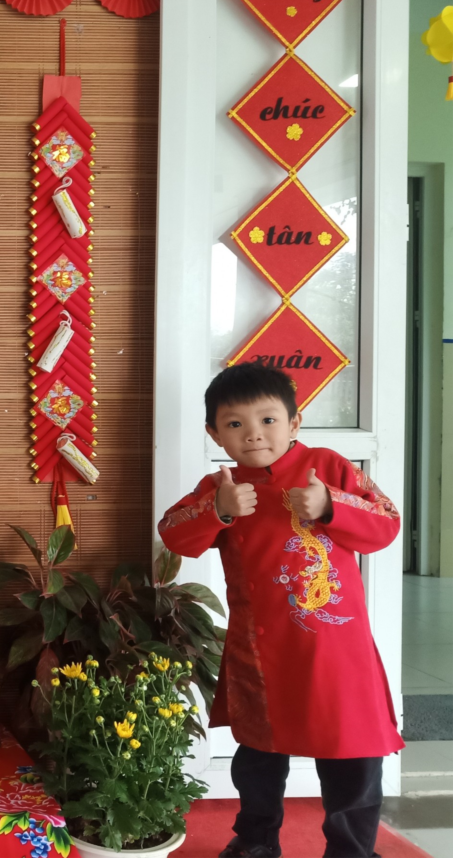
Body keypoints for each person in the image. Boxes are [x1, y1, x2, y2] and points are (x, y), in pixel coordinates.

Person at [159, 363, 402, 858]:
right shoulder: (220, 486)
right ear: (214, 434)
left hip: (336, 649)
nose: (253, 434)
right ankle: (255, 842)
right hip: (260, 649)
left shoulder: (329, 466)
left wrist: (331, 504)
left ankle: (352, 851)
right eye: (235, 424)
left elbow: (387, 523)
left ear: (294, 423)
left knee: (353, 754)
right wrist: (219, 510)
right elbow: (174, 534)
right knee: (258, 757)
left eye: (268, 420)